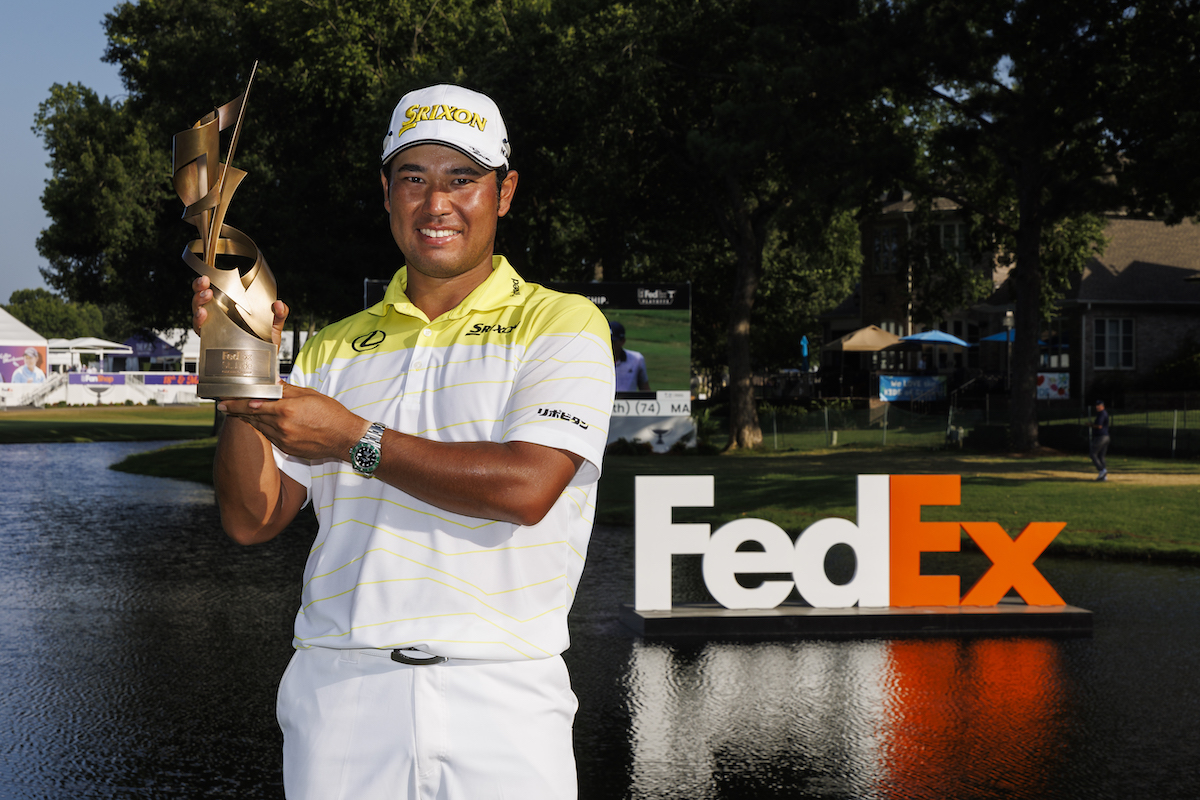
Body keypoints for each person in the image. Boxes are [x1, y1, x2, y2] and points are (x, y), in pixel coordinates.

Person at [192, 84, 614, 800]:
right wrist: (240, 370)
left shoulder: (562, 323)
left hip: (504, 692)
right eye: (413, 178)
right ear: (386, 193)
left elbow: (527, 488)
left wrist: (353, 438)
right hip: (341, 690)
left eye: (462, 179)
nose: (436, 203)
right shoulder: (332, 347)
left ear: (505, 192)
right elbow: (251, 517)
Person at [610, 320, 650, 392]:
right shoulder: (596, 360)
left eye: (613, 342)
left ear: (622, 341)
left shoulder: (636, 359)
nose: (609, 345)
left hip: (628, 399)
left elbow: (645, 389)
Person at [1090, 399, 1110, 481]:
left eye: (1099, 406)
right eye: (1096, 406)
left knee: (1093, 454)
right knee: (1101, 456)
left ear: (1102, 406)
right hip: (1106, 437)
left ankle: (1102, 470)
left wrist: (1090, 425)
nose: (1097, 407)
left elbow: (1099, 426)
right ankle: (1104, 476)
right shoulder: (1104, 413)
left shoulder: (1101, 414)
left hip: (1101, 437)